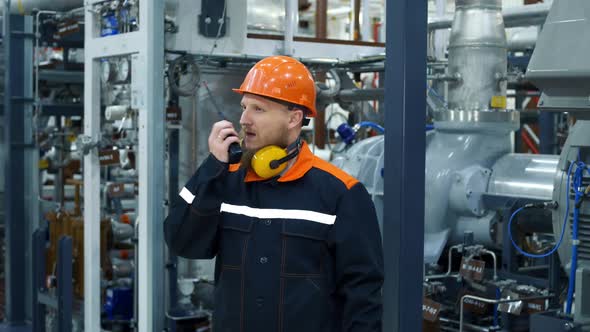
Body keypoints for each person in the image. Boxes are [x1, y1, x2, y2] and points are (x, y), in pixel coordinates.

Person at [164, 55, 383, 332]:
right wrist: (212, 168)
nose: (244, 119)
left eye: (259, 109)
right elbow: (182, 242)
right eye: (244, 107)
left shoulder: (341, 194)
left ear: (293, 118)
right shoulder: (226, 180)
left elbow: (363, 294)